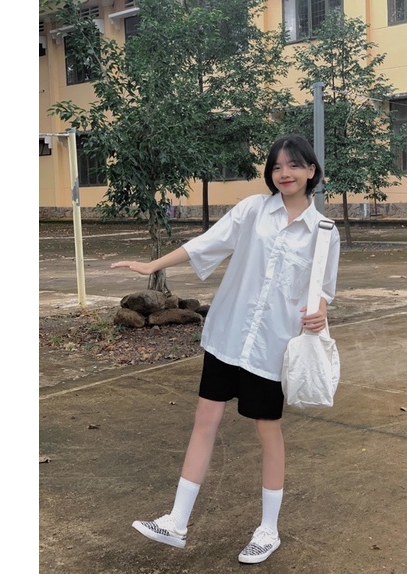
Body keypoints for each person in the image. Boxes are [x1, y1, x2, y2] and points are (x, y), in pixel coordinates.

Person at [110, 134, 341, 564]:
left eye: (293, 165)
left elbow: (323, 289)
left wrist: (320, 312)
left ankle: (268, 530)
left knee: (268, 431)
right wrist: (152, 265)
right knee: (205, 421)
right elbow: (207, 243)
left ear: (311, 170)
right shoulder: (253, 211)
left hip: (272, 345)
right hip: (229, 335)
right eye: (276, 167)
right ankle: (176, 521)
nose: (284, 173)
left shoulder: (325, 232)